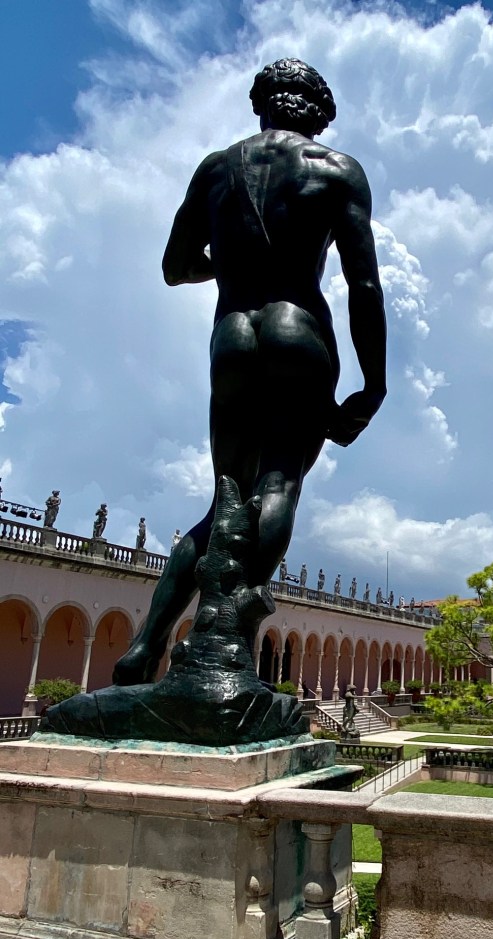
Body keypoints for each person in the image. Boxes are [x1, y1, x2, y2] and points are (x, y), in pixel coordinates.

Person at [114, 58, 386, 686]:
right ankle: (230, 628)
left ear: (261, 105)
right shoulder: (337, 169)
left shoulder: (215, 169)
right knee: (279, 482)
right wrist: (373, 385)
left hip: (231, 335)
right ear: (318, 115)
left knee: (226, 498)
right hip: (299, 330)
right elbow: (364, 285)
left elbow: (176, 267)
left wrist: (233, 265)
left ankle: (147, 644)